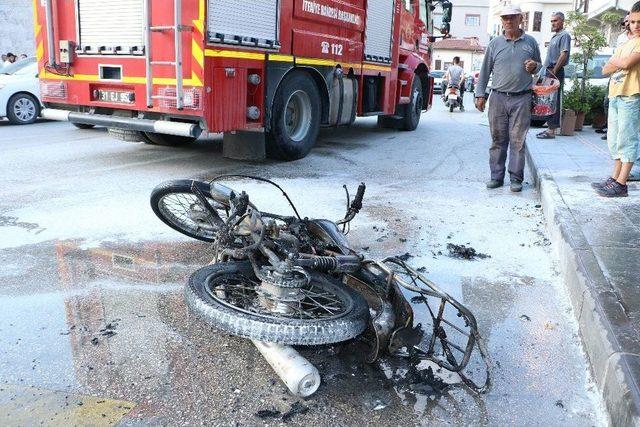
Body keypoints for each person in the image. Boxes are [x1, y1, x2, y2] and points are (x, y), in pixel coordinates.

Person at [474, 4, 541, 192]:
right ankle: (496, 177)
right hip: (498, 98)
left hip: (522, 98)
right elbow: (485, 70)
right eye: (505, 18)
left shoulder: (531, 43)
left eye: (512, 17)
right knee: (497, 139)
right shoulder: (495, 43)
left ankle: (516, 179)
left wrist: (534, 67)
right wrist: (480, 95)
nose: (508, 21)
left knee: (518, 140)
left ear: (521, 19)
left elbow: (539, 67)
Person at [592, 1, 640, 197]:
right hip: (616, 94)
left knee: (627, 140)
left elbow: (627, 63)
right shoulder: (626, 42)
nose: (636, 25)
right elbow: (605, 69)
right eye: (633, 21)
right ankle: (614, 178)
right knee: (614, 140)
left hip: (631, 96)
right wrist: (616, 63)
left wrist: (614, 62)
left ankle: (622, 183)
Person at [536, 12, 571, 139]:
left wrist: (554, 71)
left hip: (555, 71)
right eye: (551, 21)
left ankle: (552, 131)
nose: (553, 23)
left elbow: (564, 55)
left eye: (555, 20)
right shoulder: (554, 36)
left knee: (554, 100)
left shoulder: (564, 35)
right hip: (548, 71)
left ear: (562, 21)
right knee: (548, 100)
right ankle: (550, 126)